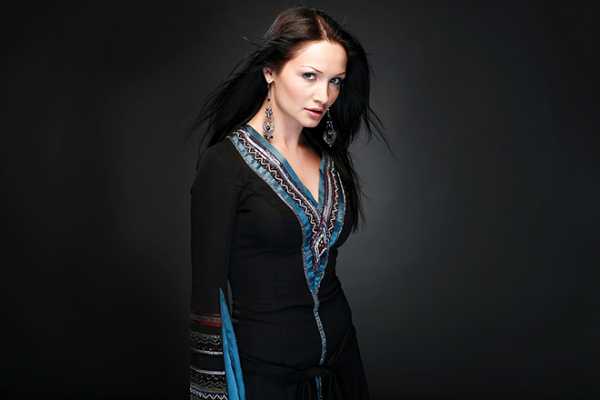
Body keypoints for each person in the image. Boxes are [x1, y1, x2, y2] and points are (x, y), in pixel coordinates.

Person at [187, 6, 388, 400]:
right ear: (270, 71)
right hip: (265, 378)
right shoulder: (224, 165)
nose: (324, 96)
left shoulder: (330, 160)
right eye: (309, 76)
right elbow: (207, 301)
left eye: (335, 81)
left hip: (342, 370)